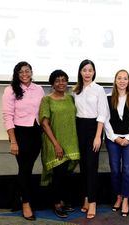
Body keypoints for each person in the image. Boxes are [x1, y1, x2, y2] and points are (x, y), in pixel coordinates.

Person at [2, 61, 44, 221]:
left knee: (28, 168)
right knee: (24, 169)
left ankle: (18, 197)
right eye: (21, 72)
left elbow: (41, 112)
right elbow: (7, 116)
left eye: (27, 71)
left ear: (31, 72)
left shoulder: (39, 89)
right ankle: (26, 203)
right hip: (20, 133)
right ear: (17, 74)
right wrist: (13, 141)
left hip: (35, 132)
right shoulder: (10, 90)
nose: (25, 74)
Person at [39, 70, 80, 218]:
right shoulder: (46, 100)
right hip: (54, 142)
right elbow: (44, 124)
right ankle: (56, 204)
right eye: (57, 80)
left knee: (66, 175)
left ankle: (63, 201)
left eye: (64, 80)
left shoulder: (70, 98)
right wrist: (56, 144)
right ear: (52, 83)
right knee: (58, 174)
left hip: (70, 141)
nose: (61, 83)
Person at [73, 59, 108, 219]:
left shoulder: (99, 89)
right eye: (84, 70)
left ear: (94, 72)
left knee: (92, 167)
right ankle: (86, 198)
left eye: (90, 70)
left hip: (93, 128)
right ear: (80, 72)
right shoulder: (76, 90)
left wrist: (98, 137)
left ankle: (93, 202)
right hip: (79, 128)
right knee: (83, 167)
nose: (87, 73)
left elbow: (102, 114)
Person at [104, 70, 129, 217]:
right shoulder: (108, 98)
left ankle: (126, 198)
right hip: (113, 139)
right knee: (114, 169)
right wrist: (115, 138)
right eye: (119, 78)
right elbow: (105, 120)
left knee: (127, 169)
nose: (122, 81)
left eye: (125, 78)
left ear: (128, 81)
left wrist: (128, 138)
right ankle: (118, 196)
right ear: (115, 80)